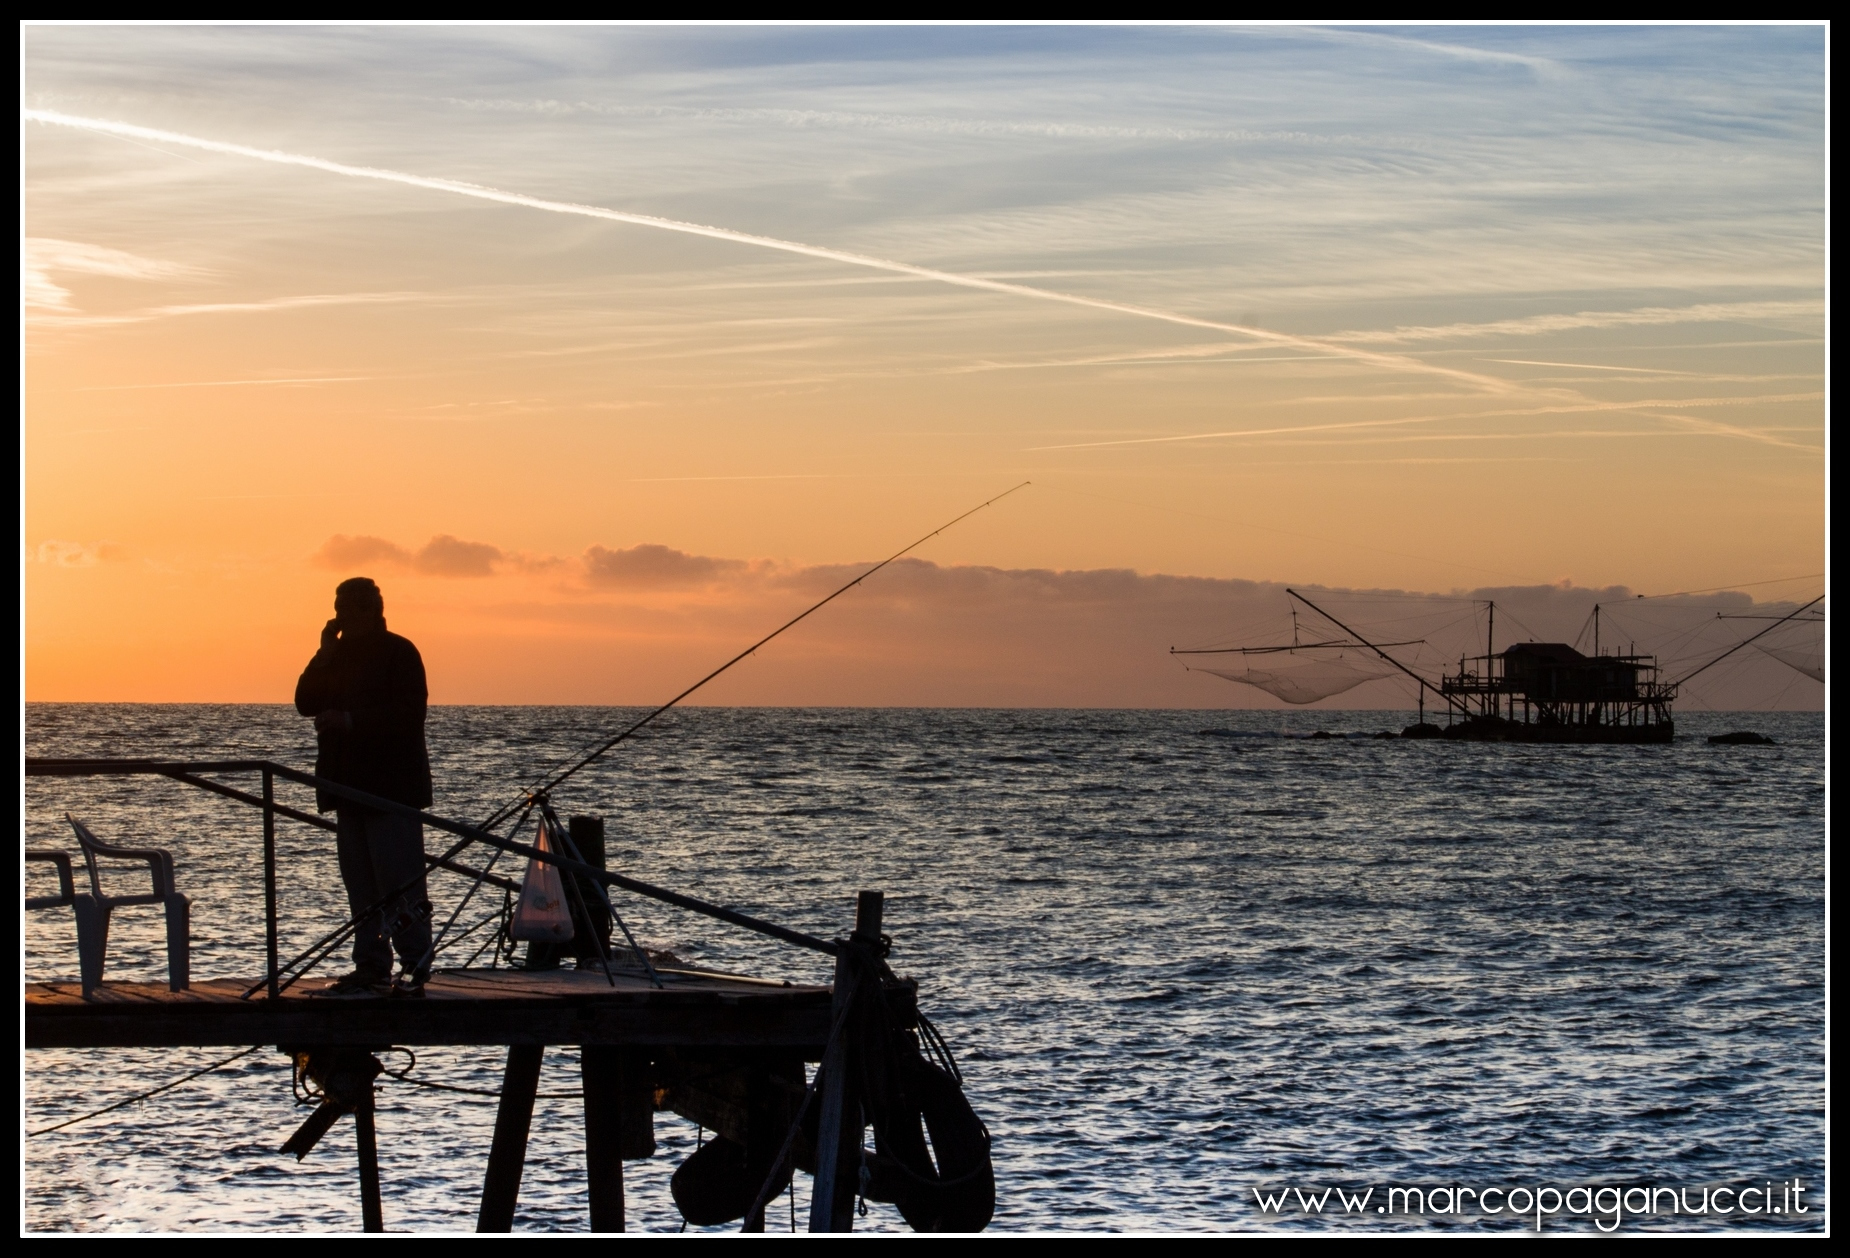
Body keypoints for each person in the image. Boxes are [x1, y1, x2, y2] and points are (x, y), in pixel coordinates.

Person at [295, 577, 435, 997]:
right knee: (360, 885)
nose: (339, 616)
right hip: (345, 788)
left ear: (369, 611)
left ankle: (415, 964)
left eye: (346, 608)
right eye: (336, 607)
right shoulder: (335, 656)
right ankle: (371, 964)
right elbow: (305, 702)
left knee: (401, 883)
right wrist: (322, 654)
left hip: (390, 789)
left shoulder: (400, 652)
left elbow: (409, 714)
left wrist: (350, 719)